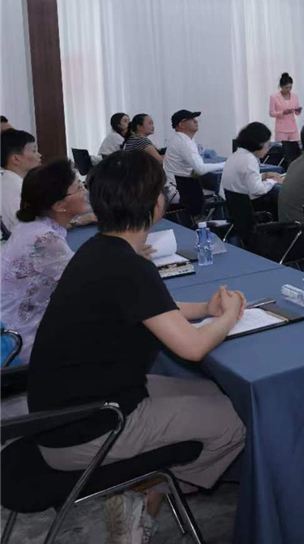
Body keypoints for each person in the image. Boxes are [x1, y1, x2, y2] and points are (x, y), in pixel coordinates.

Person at [27, 149, 246, 541]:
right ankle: (143, 498)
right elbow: (193, 348)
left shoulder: (101, 248)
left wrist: (205, 308)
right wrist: (228, 316)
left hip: (65, 414)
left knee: (213, 392)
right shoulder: (129, 266)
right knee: (234, 420)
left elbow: (151, 308)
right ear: (153, 203)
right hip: (90, 427)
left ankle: (140, 493)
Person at [0, 160, 91, 361]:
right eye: (78, 187)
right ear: (59, 205)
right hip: (21, 341)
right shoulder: (44, 240)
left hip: (14, 325)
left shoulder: (32, 227)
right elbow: (88, 282)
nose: (85, 190)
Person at [220, 122, 284, 205]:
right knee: (279, 194)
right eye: (268, 144)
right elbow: (257, 190)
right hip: (247, 205)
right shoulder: (250, 160)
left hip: (234, 204)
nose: (268, 149)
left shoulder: (236, 155)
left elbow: (246, 179)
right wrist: (273, 180)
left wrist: (265, 175)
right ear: (259, 144)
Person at [164, 110, 222, 192]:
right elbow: (200, 169)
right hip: (179, 189)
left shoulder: (181, 139)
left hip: (178, 185)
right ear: (181, 125)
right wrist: (226, 164)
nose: (196, 121)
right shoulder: (184, 142)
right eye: (191, 119)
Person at [2, 128, 42, 231]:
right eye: (34, 151)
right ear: (16, 159)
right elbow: (33, 228)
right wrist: (75, 222)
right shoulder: (14, 189)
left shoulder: (8, 181)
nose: (39, 155)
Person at [269, 72, 302, 145]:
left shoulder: (294, 96)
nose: (288, 90)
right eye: (286, 88)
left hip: (293, 128)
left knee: (295, 148)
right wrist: (283, 112)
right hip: (281, 129)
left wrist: (298, 110)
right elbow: (271, 113)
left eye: (290, 87)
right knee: (282, 148)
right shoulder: (274, 97)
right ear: (281, 86)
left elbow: (297, 112)